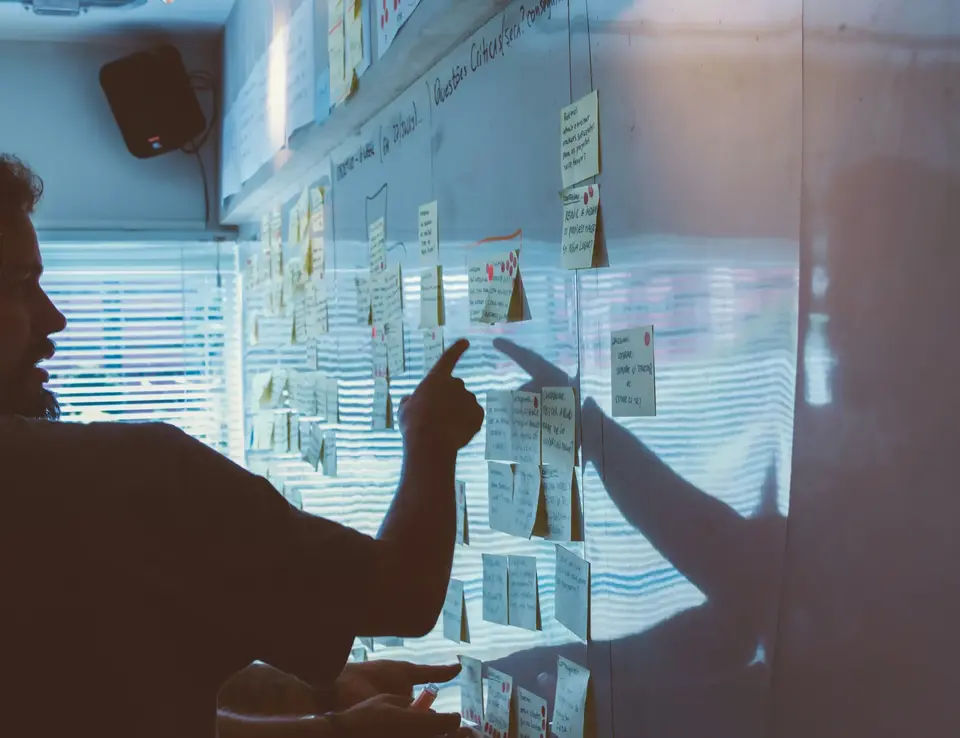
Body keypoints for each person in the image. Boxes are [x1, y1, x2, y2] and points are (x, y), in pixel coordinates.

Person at [0, 153, 483, 738]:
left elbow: (102, 699)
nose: (53, 320)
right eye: (21, 284)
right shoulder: (130, 478)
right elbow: (403, 593)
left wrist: (323, 708)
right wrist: (429, 438)